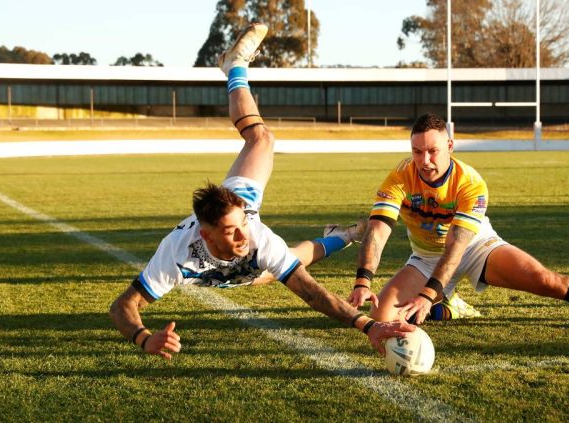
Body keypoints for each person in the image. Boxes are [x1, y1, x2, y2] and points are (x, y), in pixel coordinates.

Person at [109, 23, 414, 360]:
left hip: (241, 201)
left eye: (242, 225)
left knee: (263, 139)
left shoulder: (253, 232)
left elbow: (310, 292)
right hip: (229, 270)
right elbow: (124, 305)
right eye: (231, 230)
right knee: (287, 261)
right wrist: (143, 337)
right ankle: (343, 234)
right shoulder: (176, 253)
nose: (243, 234)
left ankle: (234, 66)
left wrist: (368, 326)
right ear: (206, 236)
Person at [348, 112, 569, 331]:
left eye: (433, 150)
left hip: (476, 246)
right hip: (425, 256)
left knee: (548, 281)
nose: (425, 160)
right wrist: (364, 280)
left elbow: (459, 244)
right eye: (418, 152)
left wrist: (428, 293)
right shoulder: (399, 177)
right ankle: (450, 308)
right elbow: (378, 231)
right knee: (382, 317)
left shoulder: (470, 182)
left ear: (449, 145)